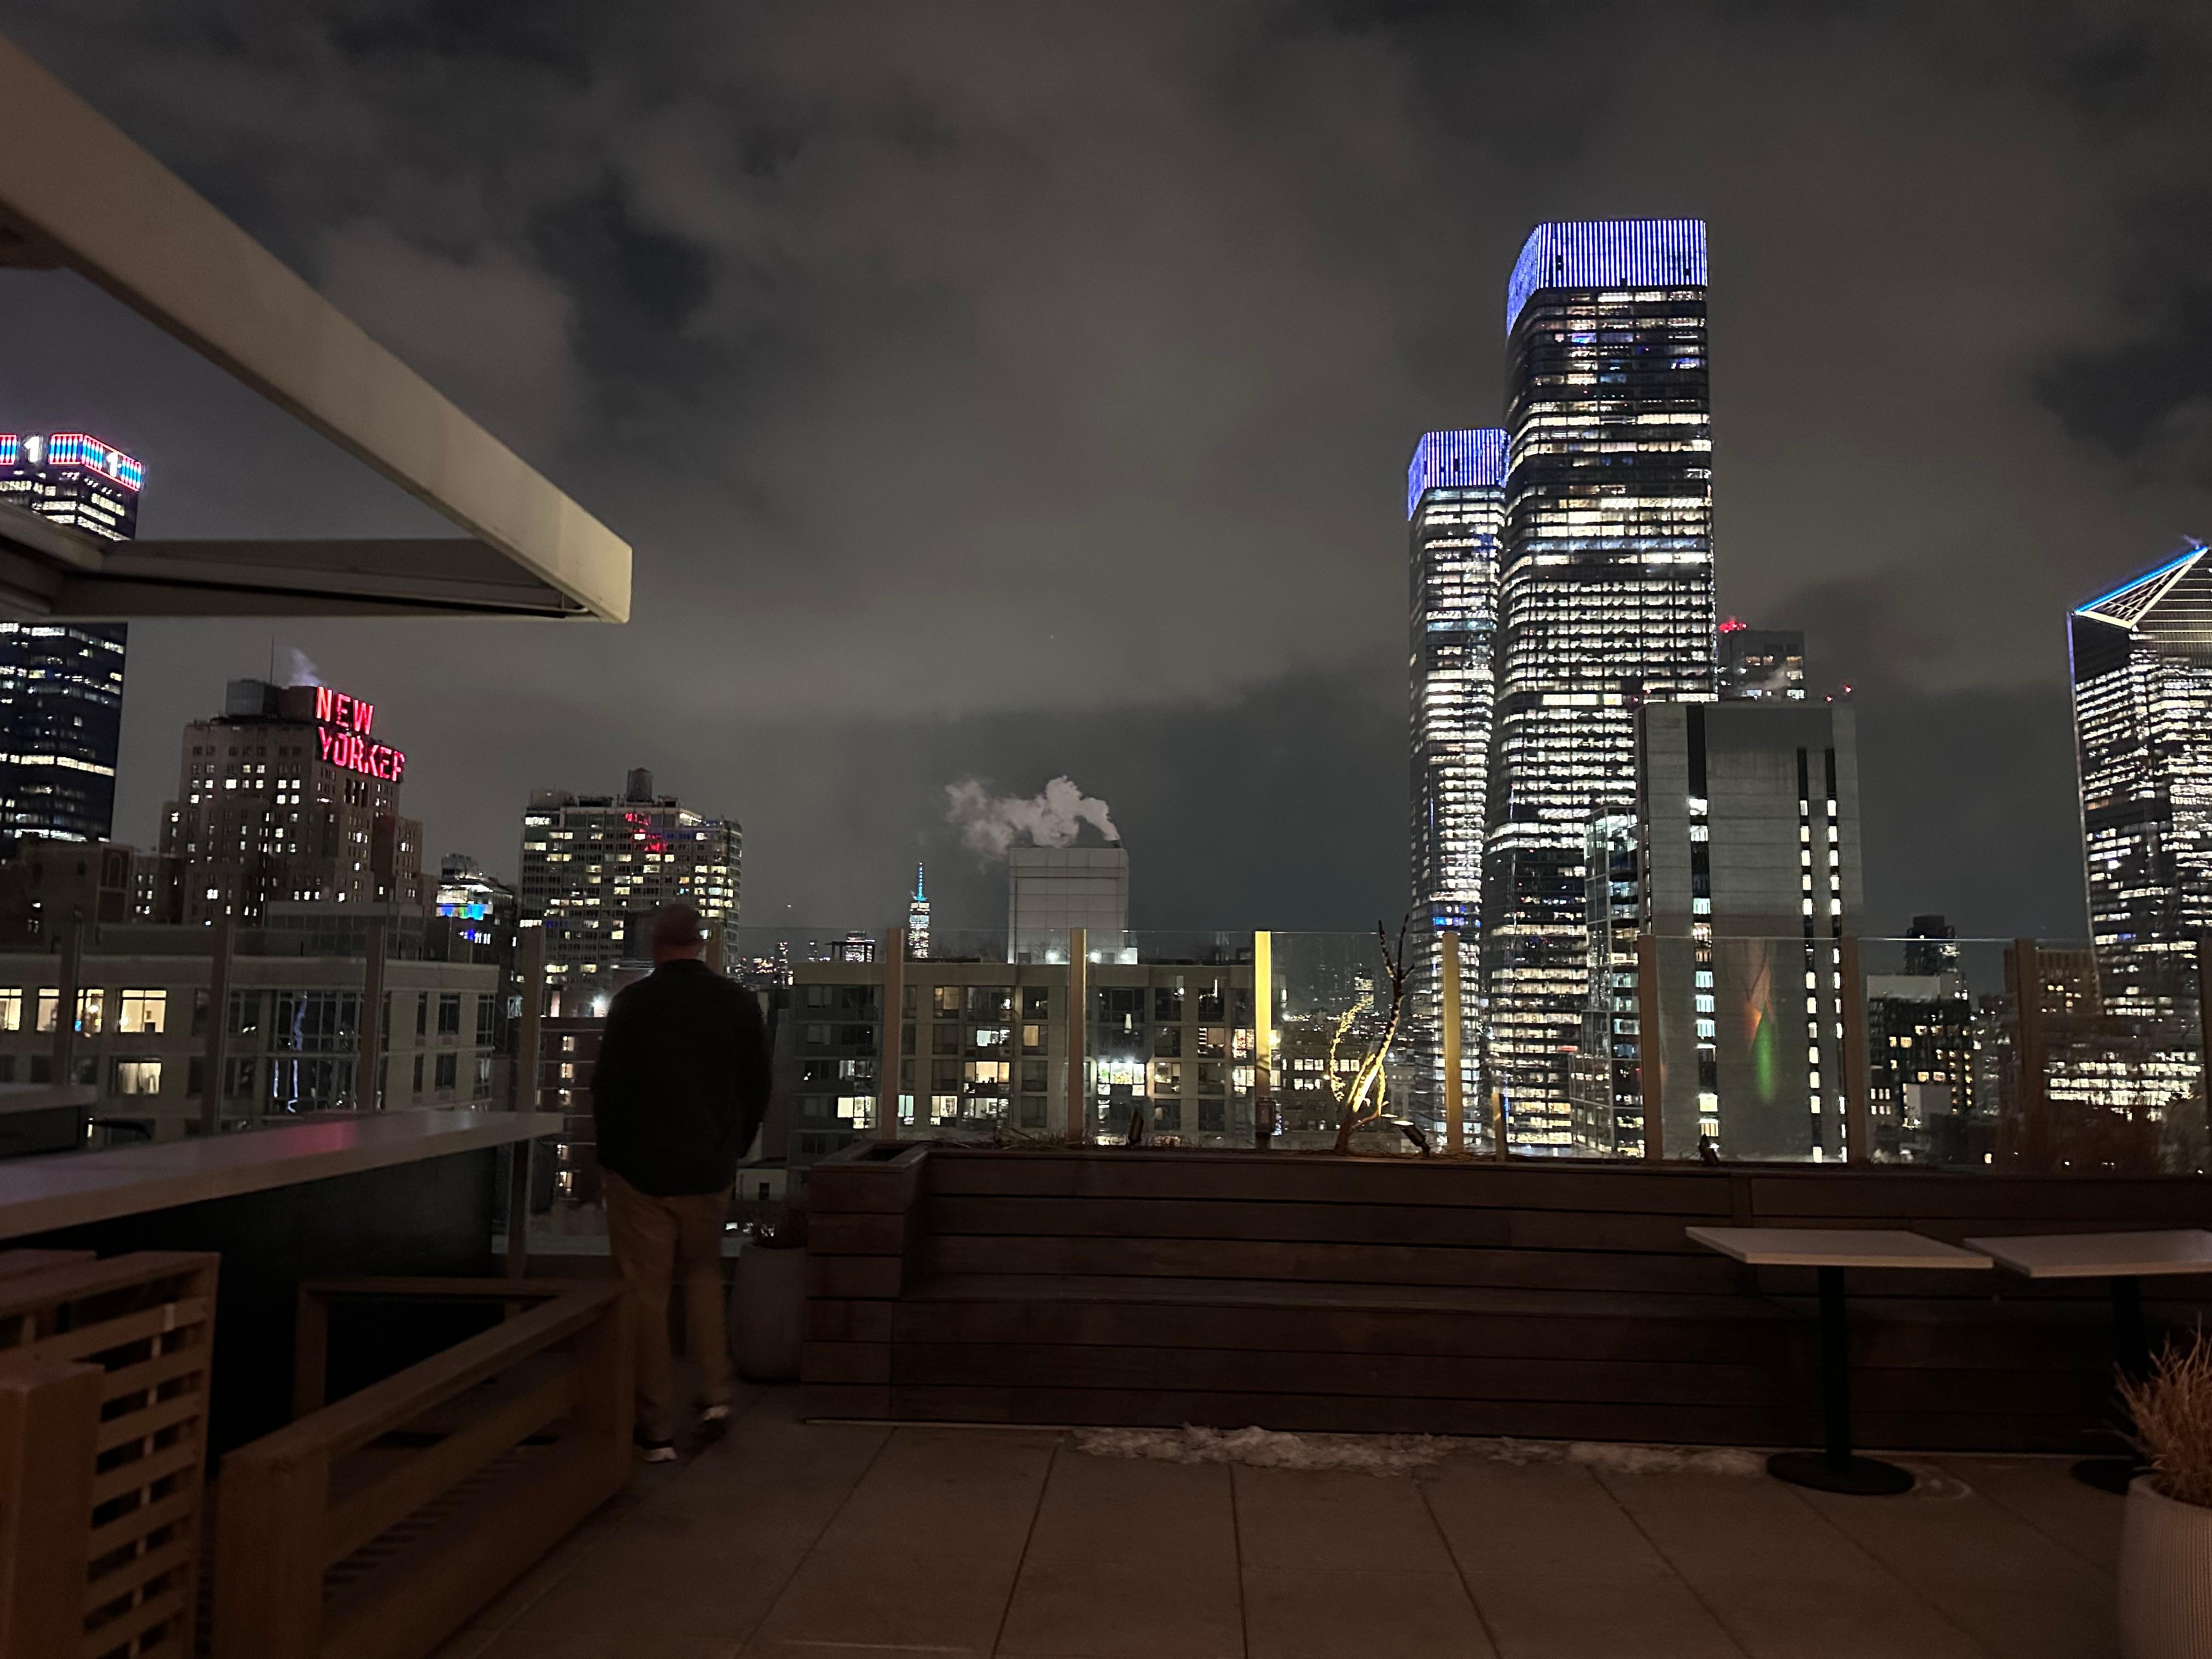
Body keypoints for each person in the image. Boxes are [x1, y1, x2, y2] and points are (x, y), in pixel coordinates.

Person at [591, 902, 771, 1460]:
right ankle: (716, 1397)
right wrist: (731, 1148)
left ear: (656, 946)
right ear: (700, 944)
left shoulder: (633, 1005)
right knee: (702, 1279)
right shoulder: (737, 1004)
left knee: (646, 1297)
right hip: (707, 1170)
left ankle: (657, 1429)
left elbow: (609, 1092)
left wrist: (613, 1159)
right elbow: (757, 1088)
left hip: (641, 1173)